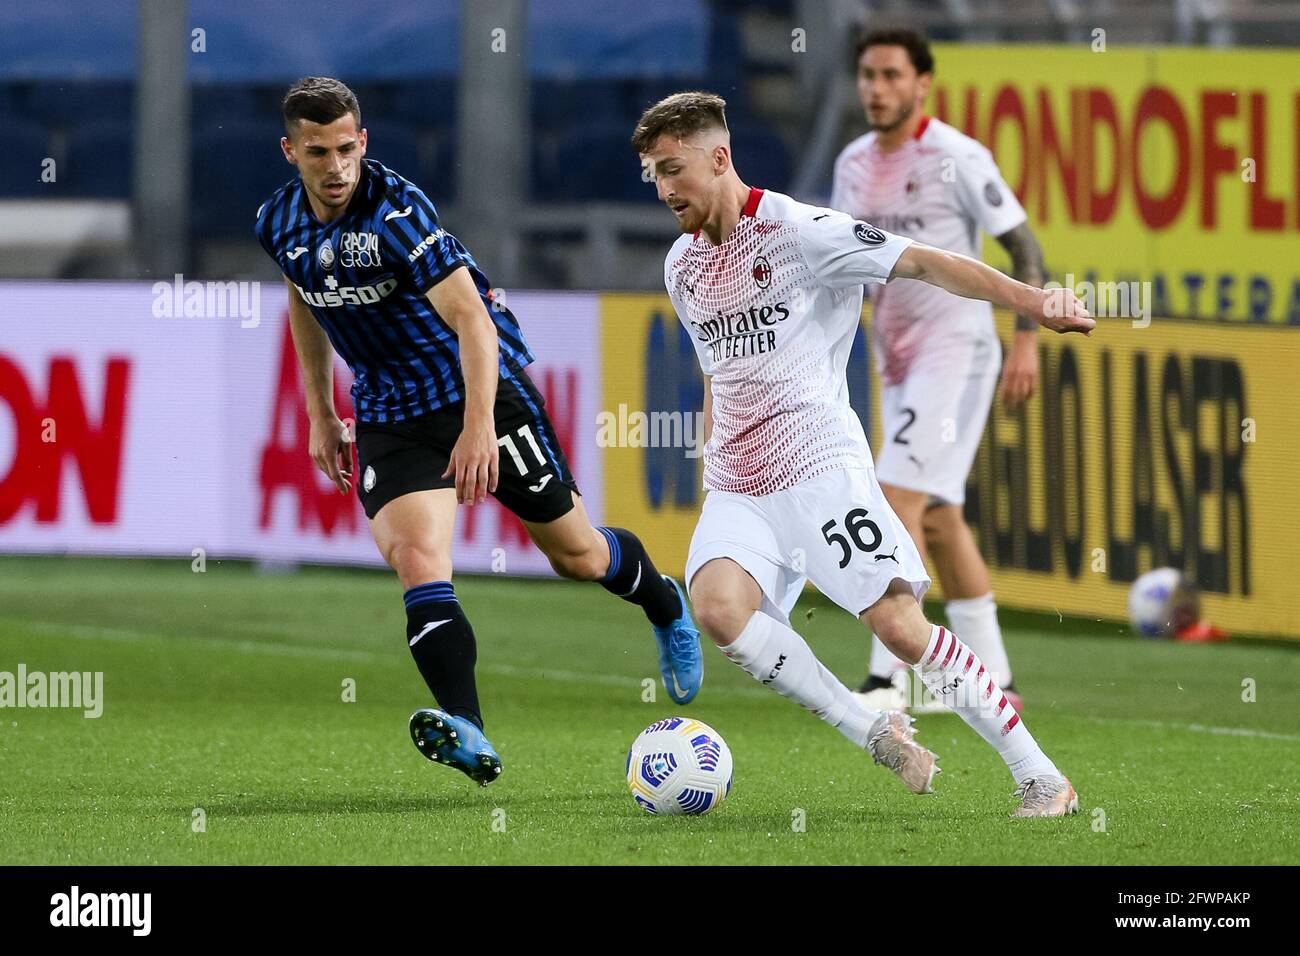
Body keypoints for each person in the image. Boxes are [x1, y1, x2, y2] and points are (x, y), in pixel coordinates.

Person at [633, 91, 1092, 815]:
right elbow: (714, 369)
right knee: (717, 608)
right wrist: (709, 467)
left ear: (718, 157)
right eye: (652, 176)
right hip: (738, 484)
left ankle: (1039, 775)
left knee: (901, 631)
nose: (663, 189)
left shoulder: (801, 231)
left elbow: (927, 263)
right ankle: (874, 729)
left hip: (819, 468)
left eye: (672, 169)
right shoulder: (681, 267)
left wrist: (1033, 304)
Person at [255, 77, 702, 786]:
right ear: (291, 152)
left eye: (347, 148)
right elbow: (304, 297)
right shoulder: (278, 223)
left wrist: (477, 428)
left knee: (578, 555)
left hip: (481, 395)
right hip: (391, 413)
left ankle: (663, 599)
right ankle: (471, 728)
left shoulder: (397, 213)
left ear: (363, 142)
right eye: (318, 153)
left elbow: (473, 321)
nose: (336, 167)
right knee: (415, 556)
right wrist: (318, 410)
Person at [833, 27, 1047, 714]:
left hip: (956, 351)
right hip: (895, 356)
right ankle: (998, 678)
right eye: (868, 75)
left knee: (894, 497)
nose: (876, 88)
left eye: (892, 75)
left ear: (923, 83)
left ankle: (885, 677)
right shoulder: (853, 163)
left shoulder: (958, 155)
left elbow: (1024, 248)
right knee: (940, 517)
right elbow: (842, 261)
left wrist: (1027, 343)